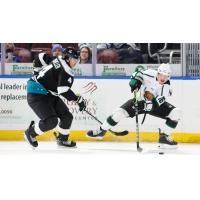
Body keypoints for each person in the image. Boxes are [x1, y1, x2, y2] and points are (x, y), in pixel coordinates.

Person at [87, 63, 181, 149]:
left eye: (166, 76)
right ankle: (101, 131)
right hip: (139, 101)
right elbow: (137, 73)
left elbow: (156, 104)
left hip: (155, 105)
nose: (163, 78)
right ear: (158, 73)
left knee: (176, 112)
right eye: (161, 75)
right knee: (119, 113)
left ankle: (164, 137)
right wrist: (135, 82)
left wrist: (151, 100)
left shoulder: (166, 85)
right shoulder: (149, 73)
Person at [24, 48, 87, 148]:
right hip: (36, 93)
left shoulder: (58, 59)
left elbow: (41, 57)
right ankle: (30, 132)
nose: (75, 62)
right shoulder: (66, 70)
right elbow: (63, 90)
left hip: (49, 93)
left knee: (66, 116)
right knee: (51, 121)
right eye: (73, 59)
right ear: (67, 58)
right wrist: (77, 100)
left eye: (77, 60)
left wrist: (36, 71)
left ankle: (62, 139)